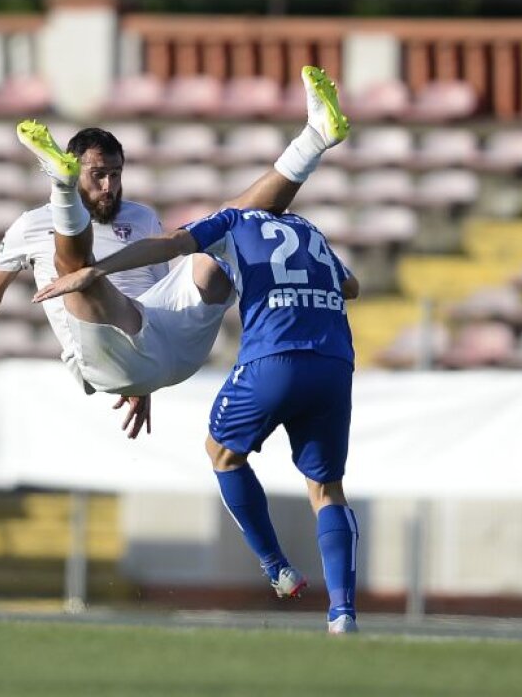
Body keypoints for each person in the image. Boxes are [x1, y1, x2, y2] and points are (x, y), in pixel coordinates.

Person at [0, 65, 350, 439]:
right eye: (97, 175)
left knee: (227, 226)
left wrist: (147, 380)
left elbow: (157, 295)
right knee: (77, 272)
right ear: (80, 169)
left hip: (167, 343)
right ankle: (62, 188)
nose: (110, 186)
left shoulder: (140, 217)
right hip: (107, 357)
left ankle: (314, 137)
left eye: (116, 174)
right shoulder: (29, 226)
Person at [33, 205, 361, 635]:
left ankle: (276, 566)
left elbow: (172, 243)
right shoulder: (309, 229)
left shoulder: (233, 220)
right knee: (326, 488)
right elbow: (351, 286)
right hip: (335, 364)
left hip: (274, 357)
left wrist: (96, 270)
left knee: (221, 453)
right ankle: (342, 614)